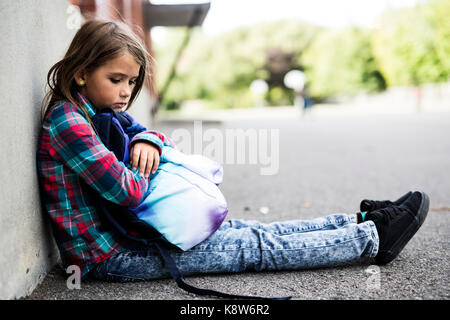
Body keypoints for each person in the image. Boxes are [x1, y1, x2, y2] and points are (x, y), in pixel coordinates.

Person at [37, 20, 430, 293]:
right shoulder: (68, 123)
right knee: (250, 247)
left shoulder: (97, 112)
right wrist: (160, 175)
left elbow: (146, 134)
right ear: (81, 73)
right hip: (109, 256)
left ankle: (359, 220)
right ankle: (371, 240)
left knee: (248, 229)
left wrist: (150, 145)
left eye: (132, 82)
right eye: (116, 80)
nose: (126, 91)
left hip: (134, 235)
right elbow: (128, 192)